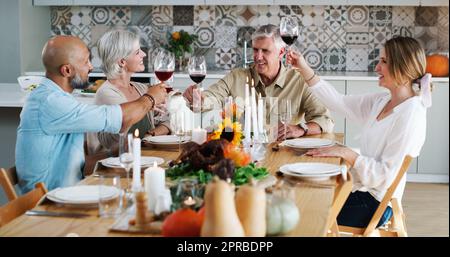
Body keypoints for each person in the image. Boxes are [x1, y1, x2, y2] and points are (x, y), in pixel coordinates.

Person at [288, 36, 431, 228]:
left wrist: (347, 153)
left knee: (303, 206)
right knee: (300, 192)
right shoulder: (382, 101)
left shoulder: (410, 115)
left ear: (403, 68)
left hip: (374, 204)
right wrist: (304, 69)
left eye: (384, 62)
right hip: (361, 190)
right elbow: (338, 102)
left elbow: (384, 176)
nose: (377, 67)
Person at [15, 35, 167, 193]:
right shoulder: (50, 102)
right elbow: (120, 118)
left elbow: (78, 165)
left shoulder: (58, 97)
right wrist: (150, 98)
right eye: (86, 61)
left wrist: (116, 153)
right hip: (48, 201)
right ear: (67, 70)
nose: (91, 67)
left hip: (69, 191)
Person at [183, 24, 333, 140]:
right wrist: (198, 100)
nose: (258, 57)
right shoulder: (237, 77)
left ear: (281, 52)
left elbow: (324, 120)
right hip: (246, 156)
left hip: (285, 153)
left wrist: (300, 129)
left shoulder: (299, 80)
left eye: (265, 51)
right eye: (255, 50)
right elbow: (211, 98)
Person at [87, 29, 170, 155]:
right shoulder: (107, 94)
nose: (144, 54)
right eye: (137, 52)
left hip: (144, 158)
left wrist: (151, 134)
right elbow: (121, 139)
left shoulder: (141, 89)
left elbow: (169, 120)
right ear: (122, 62)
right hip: (114, 167)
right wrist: (151, 99)